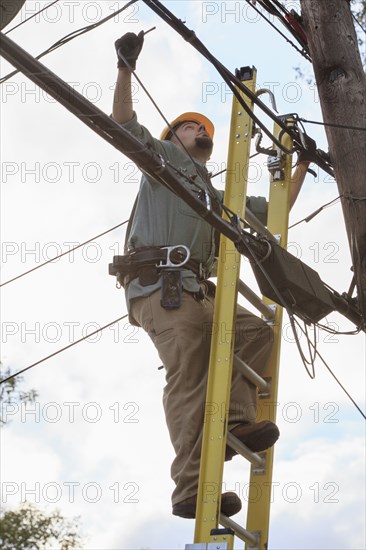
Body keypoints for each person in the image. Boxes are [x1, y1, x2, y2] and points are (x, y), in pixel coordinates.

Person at [111, 32, 310, 519]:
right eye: (190, 126)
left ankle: (236, 424)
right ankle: (190, 488)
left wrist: (302, 162)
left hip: (199, 293)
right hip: (162, 289)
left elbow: (273, 213)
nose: (201, 131)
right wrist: (124, 68)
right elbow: (122, 122)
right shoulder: (160, 163)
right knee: (190, 382)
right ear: (172, 138)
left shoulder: (214, 195)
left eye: (205, 128)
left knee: (256, 333)